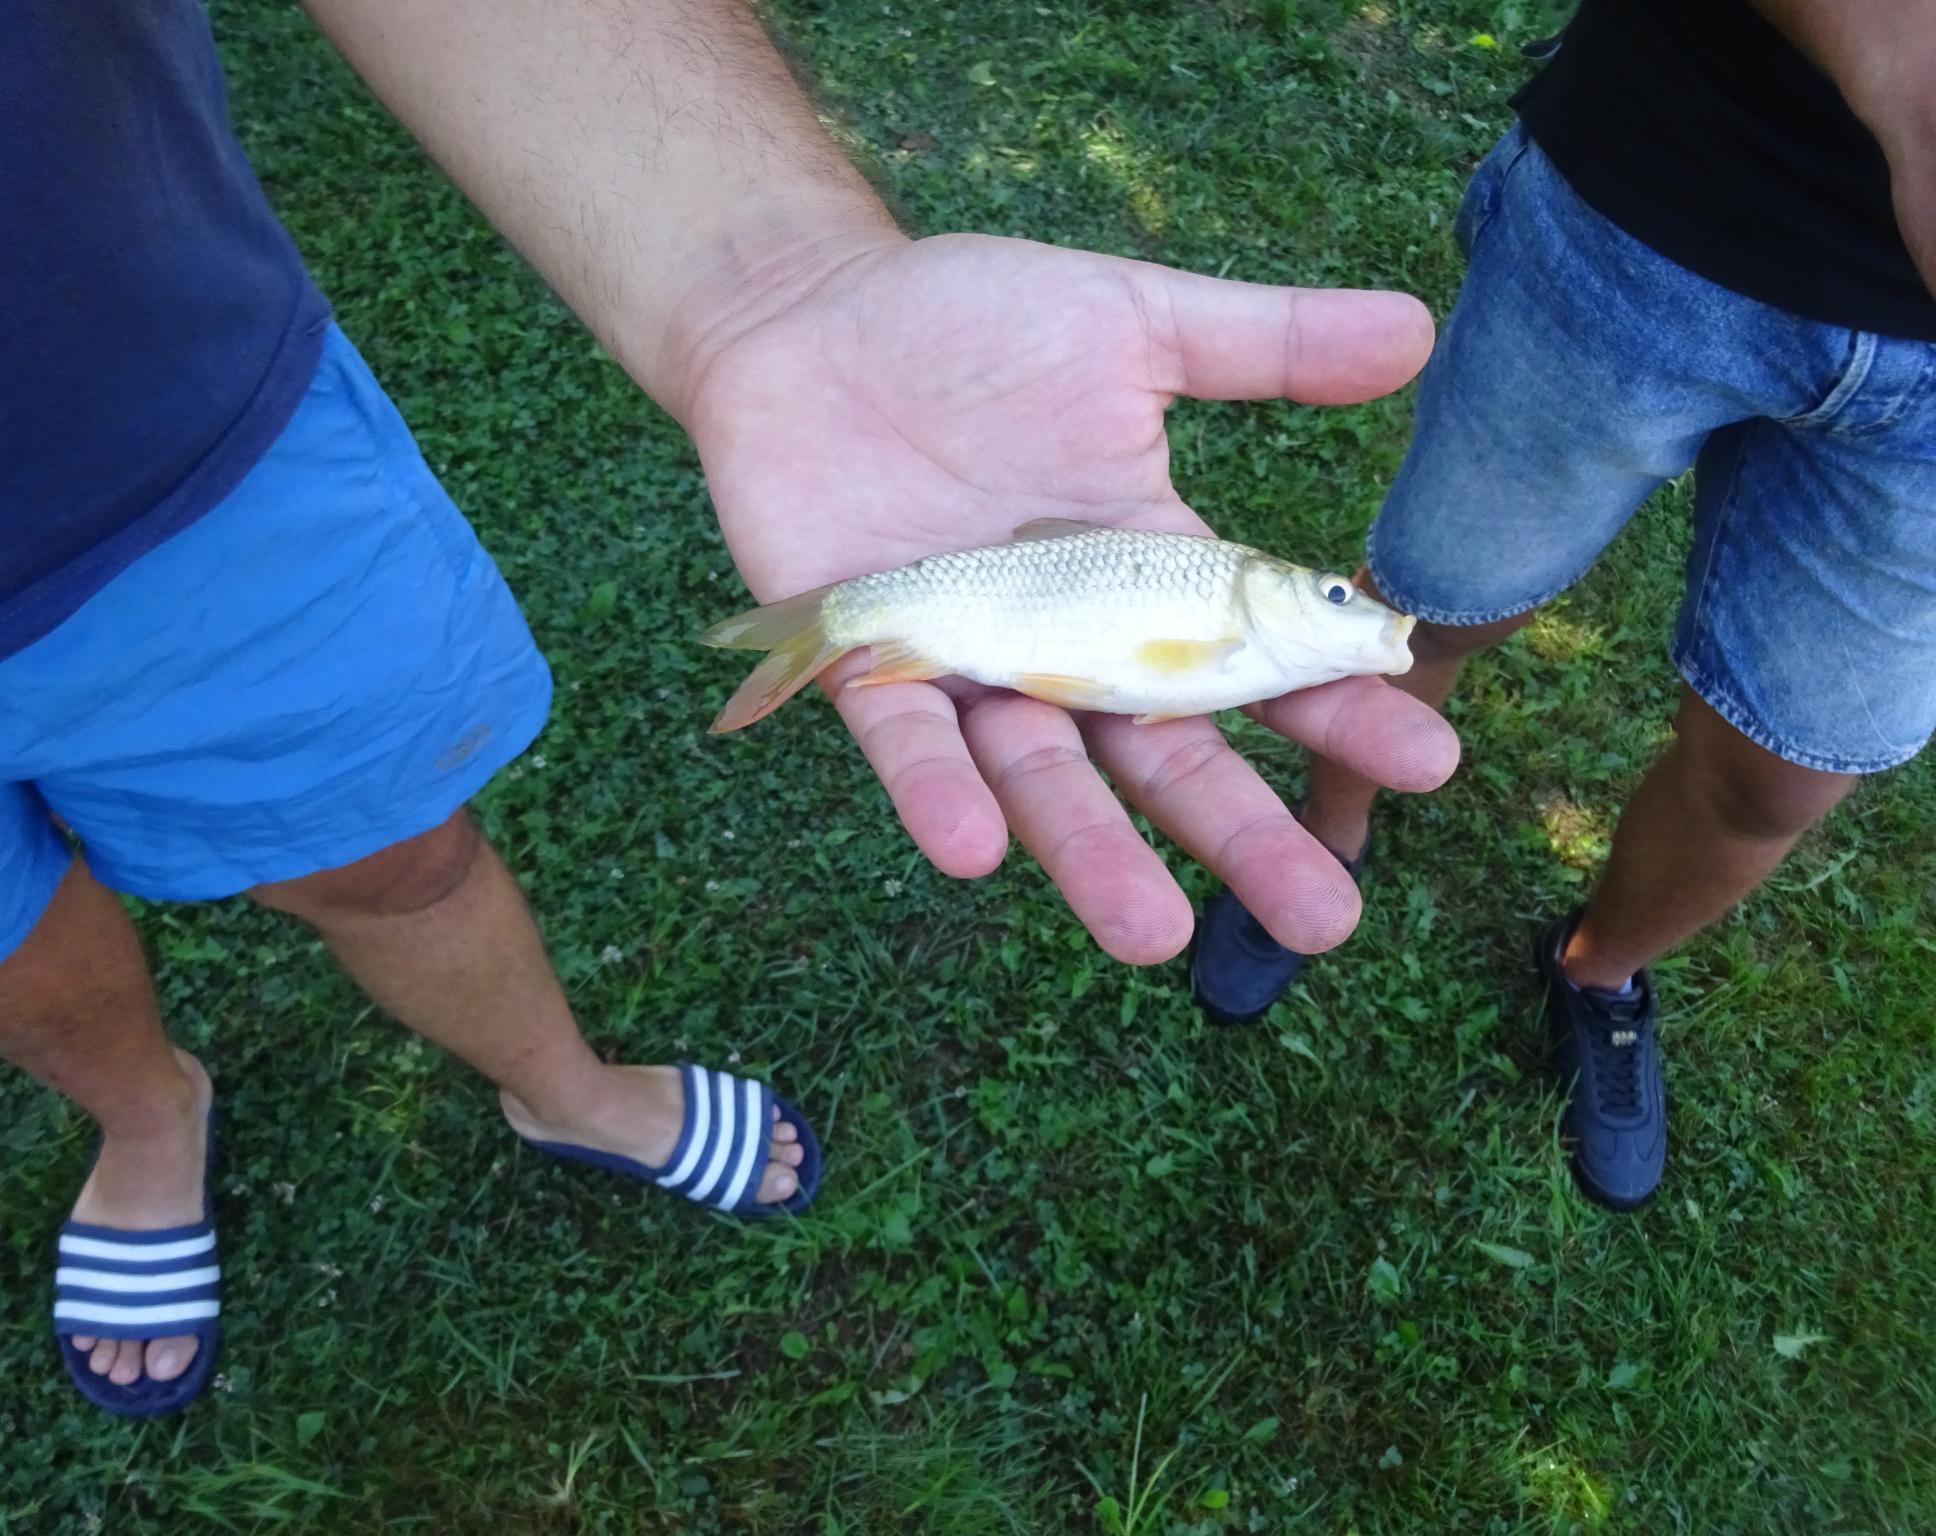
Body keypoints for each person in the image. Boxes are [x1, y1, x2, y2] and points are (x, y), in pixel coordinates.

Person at [1, 0, 1457, 1415]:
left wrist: (785, 287)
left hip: (175, 451)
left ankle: (551, 1090)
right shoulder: (1226, 614)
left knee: (384, 856)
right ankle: (138, 1112)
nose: (1344, 613)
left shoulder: (1236, 617)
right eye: (1331, 599)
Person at [1193, 0, 1936, 1211]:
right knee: (1425, 614)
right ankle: (1321, 839)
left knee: (1783, 771)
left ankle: (1596, 972)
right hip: (1660, 204)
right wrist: (1923, 47)